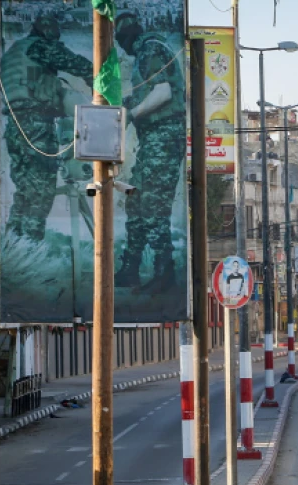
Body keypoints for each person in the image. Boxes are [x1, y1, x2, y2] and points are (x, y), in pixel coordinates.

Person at [3, 12, 93, 242]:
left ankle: (16, 244)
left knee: (24, 192)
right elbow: (80, 65)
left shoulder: (16, 51)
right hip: (36, 123)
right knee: (41, 191)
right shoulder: (41, 47)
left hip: (15, 125)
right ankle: (32, 247)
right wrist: (101, 91)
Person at [114, 11, 186, 291]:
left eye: (121, 39)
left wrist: (132, 113)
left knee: (153, 205)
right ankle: (130, 268)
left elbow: (163, 92)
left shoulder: (150, 48)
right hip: (156, 140)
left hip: (163, 138)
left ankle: (164, 273)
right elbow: (150, 92)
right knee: (136, 201)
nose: (121, 45)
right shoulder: (149, 50)